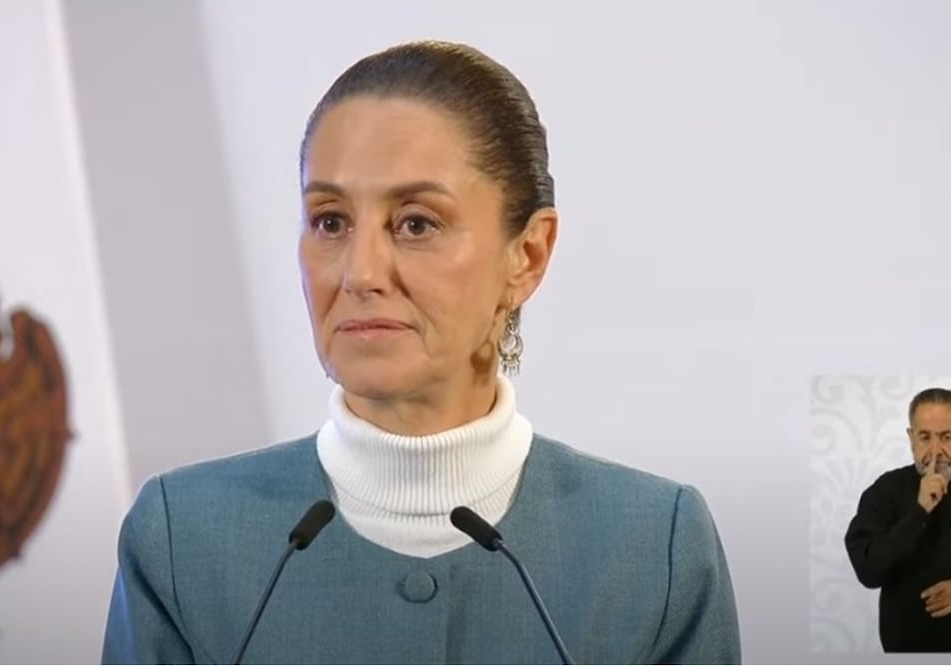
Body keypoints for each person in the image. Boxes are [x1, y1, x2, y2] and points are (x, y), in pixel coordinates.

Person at [101, 40, 741, 664]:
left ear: (528, 254)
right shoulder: (182, 541)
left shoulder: (654, 547)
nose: (359, 273)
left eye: (416, 223)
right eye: (330, 221)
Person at [844, 387, 951, 652]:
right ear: (911, 438)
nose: (935, 451)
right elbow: (868, 571)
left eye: (946, 437)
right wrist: (920, 510)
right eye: (925, 437)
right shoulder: (885, 490)